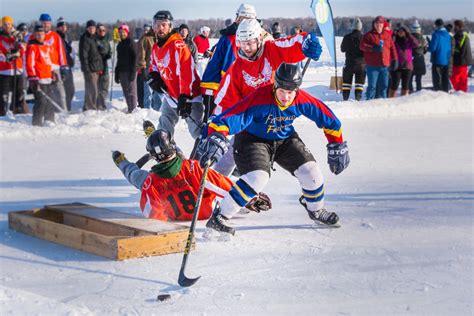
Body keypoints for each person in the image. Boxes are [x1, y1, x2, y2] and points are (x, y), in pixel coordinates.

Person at [199, 63, 349, 235]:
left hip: (284, 139)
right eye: (281, 91)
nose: (285, 97)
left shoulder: (302, 100)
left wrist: (337, 144)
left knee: (312, 173)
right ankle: (220, 217)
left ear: (297, 90)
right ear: (275, 86)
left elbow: (330, 120)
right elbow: (229, 118)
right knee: (258, 177)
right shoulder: (259, 98)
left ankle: (316, 210)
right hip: (252, 140)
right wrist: (217, 135)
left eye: (290, 92)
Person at [207, 18, 322, 177]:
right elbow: (224, 104)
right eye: (242, 43)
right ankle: (212, 189)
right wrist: (215, 131)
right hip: (252, 123)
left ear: (259, 39)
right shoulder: (236, 70)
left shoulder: (272, 49)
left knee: (307, 170)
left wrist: (307, 42)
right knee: (227, 163)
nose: (246, 47)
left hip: (278, 118)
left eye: (250, 43)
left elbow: (293, 42)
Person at [112, 128, 271, 221]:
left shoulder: (149, 183)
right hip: (203, 215)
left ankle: (121, 161)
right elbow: (223, 186)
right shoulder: (193, 168)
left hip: (175, 219)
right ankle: (156, 136)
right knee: (182, 160)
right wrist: (250, 198)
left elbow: (152, 215)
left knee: (133, 174)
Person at [147, 10, 203, 139]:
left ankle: (211, 153)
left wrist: (185, 96)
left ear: (170, 27)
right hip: (171, 95)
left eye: (164, 25)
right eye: (156, 25)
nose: (160, 28)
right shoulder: (156, 47)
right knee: (164, 127)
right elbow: (154, 66)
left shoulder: (178, 45)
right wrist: (154, 77)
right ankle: (165, 150)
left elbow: (186, 72)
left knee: (196, 130)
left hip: (189, 97)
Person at [200, 3, 257, 118]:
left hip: (217, 85)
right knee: (215, 121)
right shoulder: (234, 38)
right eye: (241, 19)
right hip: (215, 86)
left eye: (247, 20)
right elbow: (229, 70)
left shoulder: (235, 35)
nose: (244, 23)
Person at [30, 14, 68, 111]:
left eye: (47, 23)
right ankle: (47, 111)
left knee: (59, 90)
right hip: (41, 68)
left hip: (54, 67)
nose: (45, 25)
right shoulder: (33, 36)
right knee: (45, 91)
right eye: (43, 23)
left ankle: (63, 110)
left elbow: (61, 52)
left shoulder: (55, 36)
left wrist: (64, 66)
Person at [360, 16, 398, 100]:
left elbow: (392, 48)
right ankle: (369, 102)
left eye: (380, 23)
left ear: (383, 24)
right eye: (376, 23)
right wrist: (372, 48)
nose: (378, 25)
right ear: (374, 24)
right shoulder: (368, 35)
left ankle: (382, 103)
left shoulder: (387, 35)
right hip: (372, 66)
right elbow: (362, 46)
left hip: (384, 66)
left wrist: (395, 59)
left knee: (384, 85)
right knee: (372, 86)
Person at [26, 25, 56, 126]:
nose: (40, 36)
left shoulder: (46, 46)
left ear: (44, 35)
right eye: (38, 34)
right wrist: (32, 77)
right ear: (34, 35)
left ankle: (50, 121)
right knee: (41, 101)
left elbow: (49, 61)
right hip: (38, 79)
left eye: (42, 34)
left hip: (48, 78)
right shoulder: (32, 47)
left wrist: (53, 72)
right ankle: (37, 123)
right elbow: (30, 63)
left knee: (50, 101)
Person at [0, 16, 26, 115]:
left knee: (19, 91)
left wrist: (19, 47)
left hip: (17, 68)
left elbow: (23, 49)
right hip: (4, 70)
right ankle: (2, 111)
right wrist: (6, 57)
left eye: (9, 24)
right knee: (3, 93)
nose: (7, 26)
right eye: (5, 24)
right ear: (2, 25)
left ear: (12, 25)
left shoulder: (17, 35)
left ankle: (18, 110)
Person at [79, 20, 104, 111]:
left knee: (95, 89)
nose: (92, 29)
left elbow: (98, 52)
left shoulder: (95, 38)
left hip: (96, 67)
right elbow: (83, 56)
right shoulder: (85, 38)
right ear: (87, 28)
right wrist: (87, 70)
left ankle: (90, 106)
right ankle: (91, 108)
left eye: (93, 28)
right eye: (90, 28)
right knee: (92, 90)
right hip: (90, 69)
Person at [389, 26, 419, 97]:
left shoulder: (409, 40)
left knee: (405, 86)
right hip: (397, 66)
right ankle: (391, 101)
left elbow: (416, 44)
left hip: (407, 66)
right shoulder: (395, 40)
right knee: (394, 85)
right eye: (399, 31)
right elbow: (389, 44)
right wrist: (393, 35)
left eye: (403, 31)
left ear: (405, 32)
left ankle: (403, 101)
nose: (401, 33)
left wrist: (409, 34)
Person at [340, 17, 365, 101]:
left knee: (346, 83)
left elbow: (342, 49)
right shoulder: (363, 37)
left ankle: (345, 99)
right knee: (359, 84)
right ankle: (358, 99)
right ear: (360, 27)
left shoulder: (346, 37)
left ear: (353, 27)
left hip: (349, 64)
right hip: (361, 64)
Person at [115, 23, 138, 113]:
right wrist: (117, 73)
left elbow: (135, 57)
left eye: (123, 32)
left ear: (127, 32)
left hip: (130, 71)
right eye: (120, 32)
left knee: (131, 91)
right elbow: (119, 60)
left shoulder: (131, 42)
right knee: (125, 91)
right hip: (122, 71)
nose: (122, 34)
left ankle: (133, 109)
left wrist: (133, 71)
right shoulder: (120, 45)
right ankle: (130, 108)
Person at [56, 18, 75, 111]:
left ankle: (68, 108)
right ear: (58, 27)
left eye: (64, 26)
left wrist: (71, 59)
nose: (63, 28)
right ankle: (62, 109)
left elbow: (70, 52)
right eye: (61, 26)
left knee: (70, 90)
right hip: (60, 67)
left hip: (68, 66)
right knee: (63, 90)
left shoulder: (66, 38)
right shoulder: (57, 37)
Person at [428, 19, 452, 92]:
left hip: (437, 59)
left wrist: (429, 45)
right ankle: (445, 92)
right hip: (446, 59)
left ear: (436, 25)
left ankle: (438, 94)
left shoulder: (436, 34)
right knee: (445, 78)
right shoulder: (448, 34)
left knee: (437, 79)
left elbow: (432, 48)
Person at [450, 20, 472, 92]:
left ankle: (457, 92)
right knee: (463, 78)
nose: (454, 28)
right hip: (465, 61)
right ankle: (463, 93)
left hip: (459, 61)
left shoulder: (458, 36)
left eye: (454, 26)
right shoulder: (465, 35)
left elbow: (456, 47)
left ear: (457, 26)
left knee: (455, 77)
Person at [409, 20, 428, 92]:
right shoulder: (423, 39)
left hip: (411, 60)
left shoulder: (409, 38)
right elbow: (425, 50)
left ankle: (410, 91)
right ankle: (418, 91)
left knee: (410, 78)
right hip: (420, 60)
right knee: (418, 79)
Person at [96, 23, 112, 110]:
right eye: (100, 30)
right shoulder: (95, 40)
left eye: (103, 30)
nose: (102, 32)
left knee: (104, 88)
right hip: (97, 68)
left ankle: (102, 104)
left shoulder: (106, 41)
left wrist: (108, 55)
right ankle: (99, 105)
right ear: (97, 31)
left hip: (105, 67)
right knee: (98, 88)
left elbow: (109, 51)